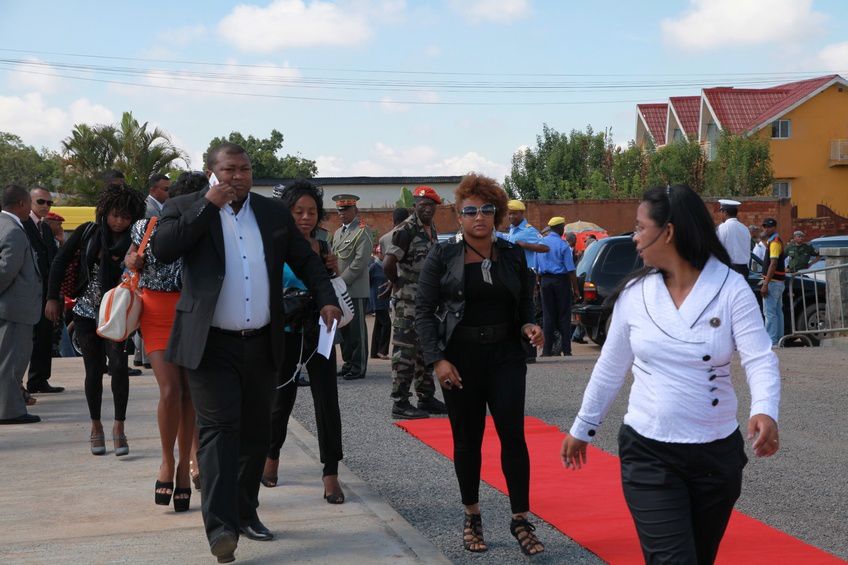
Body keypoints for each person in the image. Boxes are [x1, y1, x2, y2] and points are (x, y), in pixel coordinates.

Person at [562, 184, 780, 565]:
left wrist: (764, 409)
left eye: (640, 227)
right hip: (649, 452)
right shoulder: (636, 293)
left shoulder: (729, 289)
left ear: (668, 232)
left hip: (715, 455)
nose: (634, 237)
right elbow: (611, 367)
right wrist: (584, 427)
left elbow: (759, 357)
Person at [151, 143, 341, 563]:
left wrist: (327, 298)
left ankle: (245, 512)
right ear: (210, 172)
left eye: (245, 169)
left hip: (261, 342)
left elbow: (308, 262)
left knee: (256, 431)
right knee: (219, 433)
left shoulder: (272, 214)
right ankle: (221, 529)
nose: (238, 176)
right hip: (210, 343)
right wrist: (207, 205)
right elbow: (163, 249)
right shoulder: (183, 205)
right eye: (229, 169)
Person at [416, 173, 545, 556]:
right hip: (461, 360)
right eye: (470, 211)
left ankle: (520, 517)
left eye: (487, 210)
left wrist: (530, 325)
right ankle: (472, 515)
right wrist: (438, 360)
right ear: (458, 216)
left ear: (498, 213)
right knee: (467, 440)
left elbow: (525, 306)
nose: (479, 217)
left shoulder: (512, 253)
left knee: (513, 437)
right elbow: (422, 312)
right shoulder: (442, 255)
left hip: (505, 356)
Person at [125, 172, 206, 512]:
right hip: (157, 314)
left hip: (192, 313)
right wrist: (131, 260)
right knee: (170, 390)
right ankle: (166, 461)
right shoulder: (147, 226)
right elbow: (130, 259)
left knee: (188, 393)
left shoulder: (208, 227)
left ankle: (188, 472)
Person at [262, 180, 345, 507]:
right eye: (299, 211)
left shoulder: (323, 247)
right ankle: (271, 456)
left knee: (328, 401)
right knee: (281, 398)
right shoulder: (272, 245)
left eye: (312, 212)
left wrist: (333, 270)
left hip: (319, 329)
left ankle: (330, 472)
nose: (306, 217)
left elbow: (330, 286)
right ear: (287, 213)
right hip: (284, 330)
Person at [46, 184, 145, 454]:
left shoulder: (137, 240)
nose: (119, 221)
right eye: (115, 215)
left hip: (117, 313)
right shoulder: (88, 232)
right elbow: (59, 262)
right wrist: (52, 297)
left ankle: (119, 427)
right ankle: (96, 426)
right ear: (105, 212)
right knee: (93, 370)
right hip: (86, 312)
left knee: (119, 368)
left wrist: (135, 262)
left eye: (125, 217)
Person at [383, 186, 447, 419]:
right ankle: (400, 402)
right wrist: (398, 283)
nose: (428, 208)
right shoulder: (406, 230)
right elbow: (388, 264)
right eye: (423, 204)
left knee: (424, 351)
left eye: (432, 205)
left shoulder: (431, 230)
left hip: (426, 303)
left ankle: (426, 398)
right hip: (408, 303)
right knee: (405, 352)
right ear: (415, 206)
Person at [0, 185, 42, 425]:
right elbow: (7, 269)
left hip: (11, 306)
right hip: (15, 307)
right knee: (12, 361)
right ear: (22, 204)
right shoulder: (13, 229)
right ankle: (10, 411)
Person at [498, 200, 548, 364]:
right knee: (514, 309)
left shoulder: (528, 230)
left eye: (514, 213)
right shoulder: (511, 230)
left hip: (527, 274)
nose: (511, 216)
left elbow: (545, 247)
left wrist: (525, 245)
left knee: (526, 308)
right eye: (509, 213)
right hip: (513, 273)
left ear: (522, 213)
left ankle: (530, 352)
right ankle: (519, 349)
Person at [23, 187, 62, 394]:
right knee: (22, 342)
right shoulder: (21, 224)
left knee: (45, 338)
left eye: (49, 203)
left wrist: (53, 295)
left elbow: (53, 261)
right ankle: (18, 386)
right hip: (27, 293)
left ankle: (39, 380)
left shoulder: (46, 229)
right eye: (41, 202)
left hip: (46, 293)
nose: (46, 206)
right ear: (28, 202)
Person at [331, 194, 372, 380]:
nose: (342, 213)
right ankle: (348, 363)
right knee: (344, 329)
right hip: (340, 290)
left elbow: (360, 262)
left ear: (355, 211)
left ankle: (359, 366)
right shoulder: (338, 233)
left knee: (357, 331)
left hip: (354, 289)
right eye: (339, 210)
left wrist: (342, 281)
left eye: (346, 210)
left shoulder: (362, 231)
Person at [536, 217, 580, 357]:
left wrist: (538, 285)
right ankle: (566, 350)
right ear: (560, 228)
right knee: (564, 316)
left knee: (548, 316)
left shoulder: (540, 243)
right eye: (563, 227)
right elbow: (570, 269)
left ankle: (547, 350)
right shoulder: (563, 245)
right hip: (560, 281)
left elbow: (537, 268)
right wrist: (576, 289)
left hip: (545, 282)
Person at [760, 218, 786, 346]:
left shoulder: (775, 243)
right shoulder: (773, 241)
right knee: (777, 312)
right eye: (764, 226)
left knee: (769, 313)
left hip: (773, 282)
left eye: (769, 227)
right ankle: (779, 339)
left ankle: (771, 341)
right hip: (778, 282)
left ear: (775, 227)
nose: (766, 229)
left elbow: (773, 263)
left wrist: (765, 283)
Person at [716, 199, 751, 277]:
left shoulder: (723, 227)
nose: (720, 215)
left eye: (721, 212)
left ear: (725, 213)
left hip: (729, 269)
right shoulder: (745, 228)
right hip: (744, 269)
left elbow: (717, 249)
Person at [369, 246, 391, 359]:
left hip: (384, 301)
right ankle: (382, 351)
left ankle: (375, 352)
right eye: (382, 253)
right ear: (378, 254)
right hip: (378, 300)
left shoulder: (385, 267)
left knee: (379, 325)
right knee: (386, 324)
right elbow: (367, 282)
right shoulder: (373, 267)